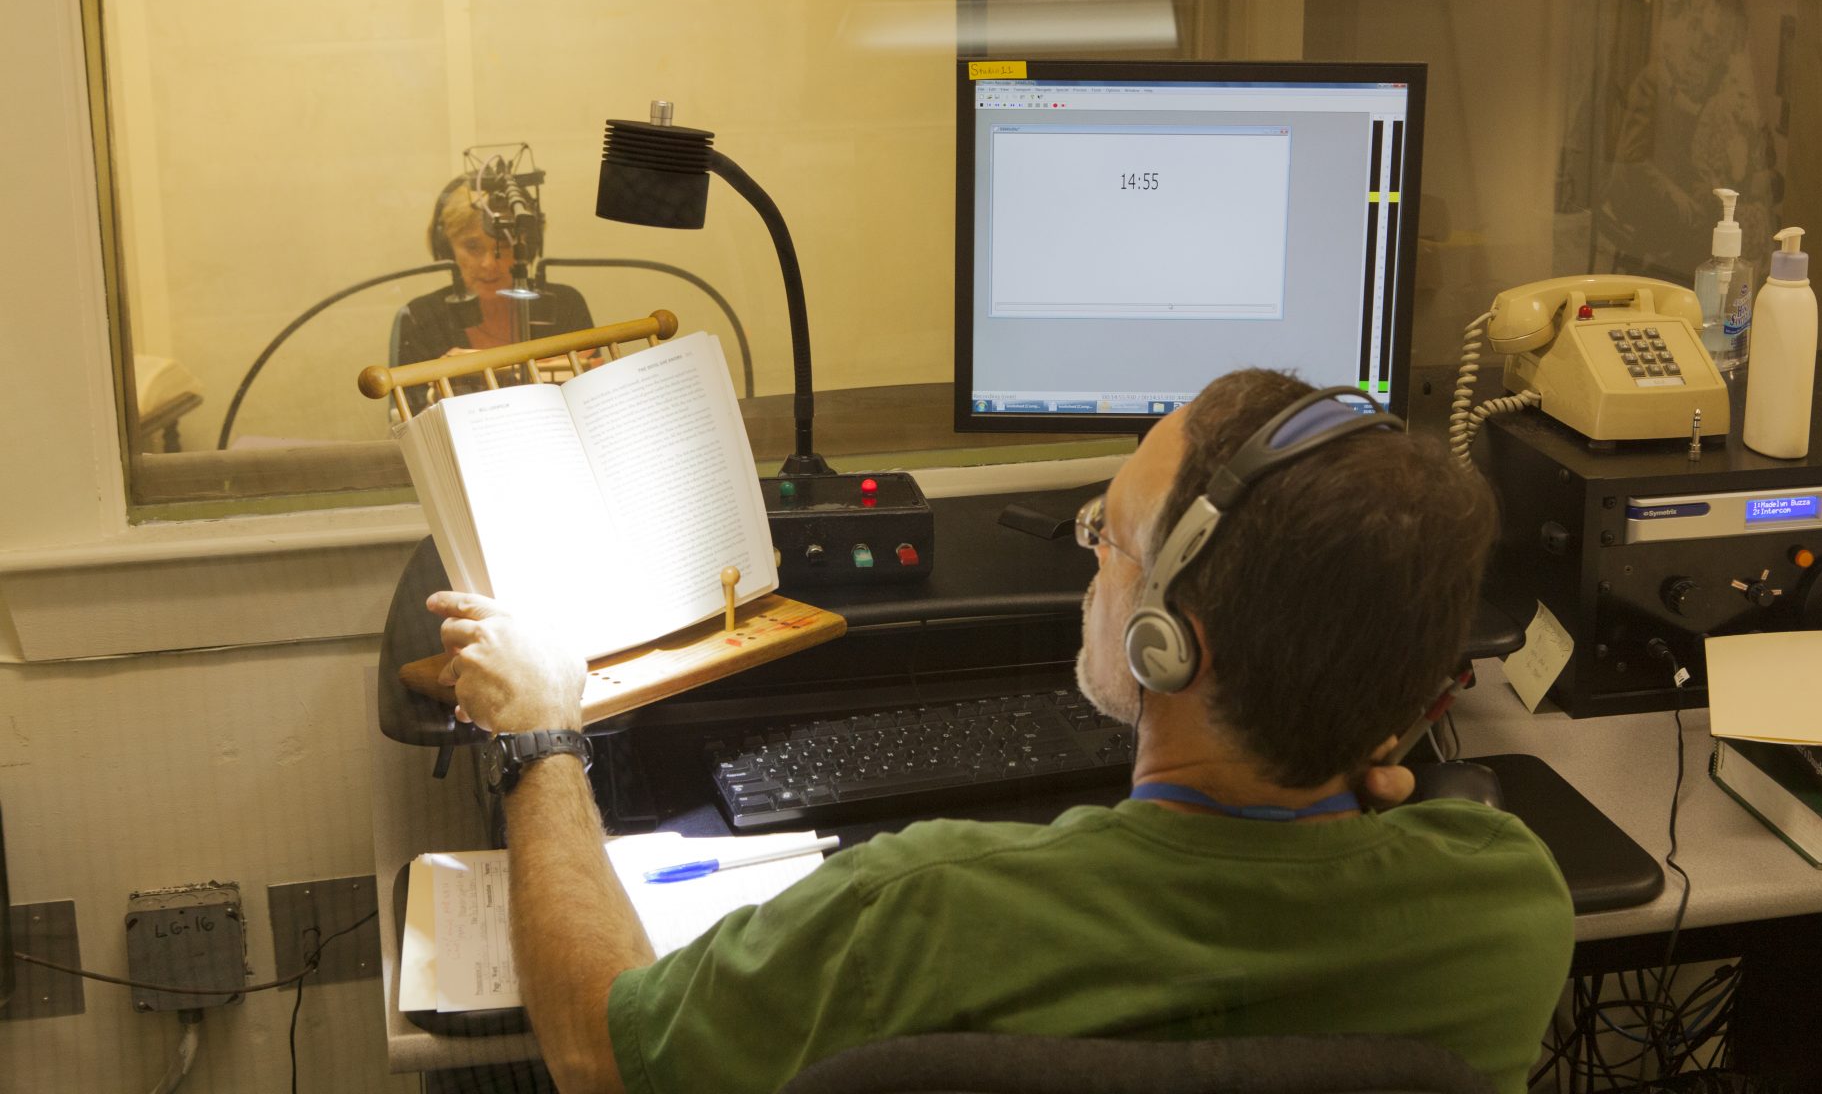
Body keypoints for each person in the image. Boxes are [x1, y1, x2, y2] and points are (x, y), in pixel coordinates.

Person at [429, 367, 1575, 1094]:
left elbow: (595, 1051)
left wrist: (543, 731)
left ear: (1172, 641)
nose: (1091, 561)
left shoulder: (921, 909)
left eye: (1110, 538)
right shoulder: (1503, 908)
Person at [394, 175, 596, 374]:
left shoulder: (565, 305)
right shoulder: (420, 318)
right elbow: (412, 405)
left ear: (527, 246)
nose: (489, 264)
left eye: (505, 245)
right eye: (472, 246)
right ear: (447, 249)